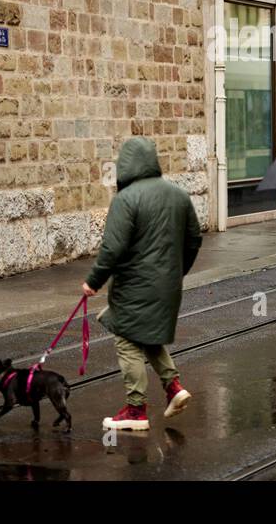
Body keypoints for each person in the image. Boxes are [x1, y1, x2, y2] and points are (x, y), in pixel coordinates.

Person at [82, 137, 202, 431]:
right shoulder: (179, 196)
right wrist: (177, 272)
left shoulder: (126, 199)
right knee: (145, 334)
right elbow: (194, 239)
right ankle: (173, 386)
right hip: (168, 285)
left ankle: (136, 410)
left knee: (125, 337)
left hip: (134, 285)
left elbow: (113, 248)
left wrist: (93, 281)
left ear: (126, 165)